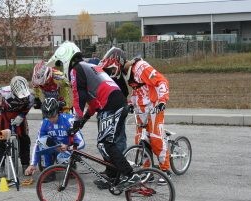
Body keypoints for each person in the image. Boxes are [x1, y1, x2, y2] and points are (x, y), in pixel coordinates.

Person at [47, 41, 140, 189]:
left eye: (59, 63)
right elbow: (94, 101)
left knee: (106, 143)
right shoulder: (88, 67)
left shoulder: (76, 70)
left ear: (66, 57)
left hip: (112, 106)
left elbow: (78, 97)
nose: (59, 66)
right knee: (104, 143)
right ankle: (113, 176)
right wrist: (83, 120)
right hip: (112, 104)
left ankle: (130, 175)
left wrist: (76, 120)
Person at [122, 57, 171, 184]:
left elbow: (162, 81)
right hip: (141, 109)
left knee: (156, 138)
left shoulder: (141, 67)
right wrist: (131, 103)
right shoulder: (127, 72)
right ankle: (147, 171)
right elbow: (136, 90)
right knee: (141, 140)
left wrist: (162, 100)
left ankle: (165, 170)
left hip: (154, 106)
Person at [24, 98, 85, 181]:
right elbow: (38, 144)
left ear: (58, 112)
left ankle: (71, 166)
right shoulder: (44, 123)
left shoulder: (69, 120)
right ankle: (49, 170)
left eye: (53, 116)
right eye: (48, 117)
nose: (51, 119)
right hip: (55, 148)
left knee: (62, 158)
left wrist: (68, 147)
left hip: (68, 149)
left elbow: (81, 142)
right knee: (42, 141)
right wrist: (33, 164)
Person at [0, 76, 34, 175]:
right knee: (1, 140)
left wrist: (22, 115)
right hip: (5, 116)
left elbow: (30, 104)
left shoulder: (30, 95)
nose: (23, 98)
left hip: (19, 117)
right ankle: (1, 167)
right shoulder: (4, 91)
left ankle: (25, 164)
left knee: (25, 139)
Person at [96, 47, 129, 186]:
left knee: (116, 142)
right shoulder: (108, 74)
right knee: (105, 143)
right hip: (103, 110)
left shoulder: (119, 78)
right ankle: (110, 169)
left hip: (114, 111)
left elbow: (124, 94)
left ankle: (117, 174)